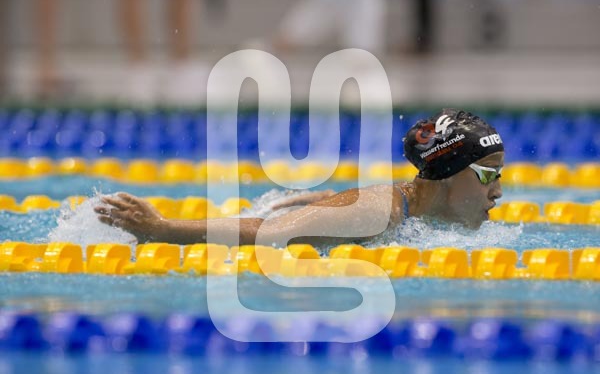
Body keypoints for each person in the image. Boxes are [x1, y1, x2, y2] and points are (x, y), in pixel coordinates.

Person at [95, 109, 504, 246]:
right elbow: (270, 234)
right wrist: (162, 229)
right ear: (446, 174)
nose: (498, 191)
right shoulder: (380, 213)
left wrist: (330, 204)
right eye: (488, 174)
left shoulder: (407, 207)